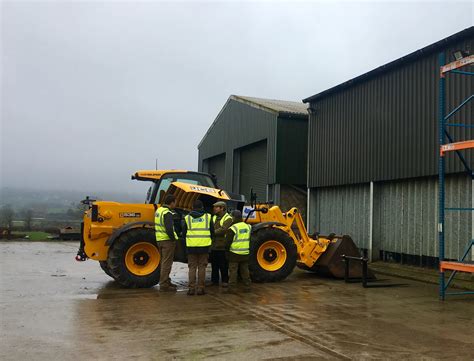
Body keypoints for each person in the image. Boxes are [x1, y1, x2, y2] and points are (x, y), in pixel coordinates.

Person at [182, 200, 214, 296]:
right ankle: (200, 289)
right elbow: (212, 232)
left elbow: (184, 233)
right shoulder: (208, 217)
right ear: (202, 207)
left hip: (191, 247)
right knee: (202, 267)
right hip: (204, 246)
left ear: (192, 207)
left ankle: (191, 289)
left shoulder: (187, 218)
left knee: (192, 267)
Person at [155, 194, 178, 292]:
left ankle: (166, 280)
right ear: (172, 202)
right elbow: (169, 228)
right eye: (175, 202)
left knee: (163, 262)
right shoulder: (167, 213)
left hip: (159, 240)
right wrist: (173, 238)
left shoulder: (159, 210)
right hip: (167, 241)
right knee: (167, 263)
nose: (175, 204)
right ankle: (164, 284)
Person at [225, 210, 251, 290]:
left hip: (234, 253)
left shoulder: (233, 228)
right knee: (245, 270)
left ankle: (232, 288)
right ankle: (247, 286)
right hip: (245, 252)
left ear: (234, 217)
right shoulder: (248, 227)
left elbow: (227, 243)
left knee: (233, 271)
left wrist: (226, 252)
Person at [210, 201, 232, 287]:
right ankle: (214, 281)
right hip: (214, 245)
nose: (214, 209)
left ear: (222, 208)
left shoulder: (228, 218)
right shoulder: (214, 217)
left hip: (222, 245)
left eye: (216, 207)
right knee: (214, 265)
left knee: (223, 265)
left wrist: (212, 232)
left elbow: (223, 229)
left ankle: (225, 281)